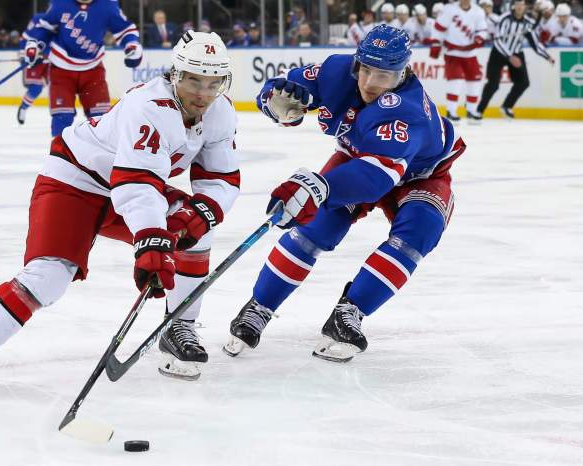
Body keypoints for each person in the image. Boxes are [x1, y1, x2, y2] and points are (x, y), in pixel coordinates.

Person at [0, 31, 239, 396]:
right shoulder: (150, 106)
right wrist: (151, 239)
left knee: (199, 231)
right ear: (175, 75)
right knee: (50, 275)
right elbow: (136, 182)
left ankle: (177, 327)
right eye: (193, 80)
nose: (203, 92)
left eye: (214, 83)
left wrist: (198, 215)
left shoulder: (221, 112)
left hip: (130, 185)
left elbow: (221, 178)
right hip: (75, 181)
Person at [223, 25, 466, 363]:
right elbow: (287, 85)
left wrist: (319, 187)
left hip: (419, 176)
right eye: (365, 69)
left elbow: (375, 177)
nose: (368, 82)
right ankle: (259, 306)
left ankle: (349, 312)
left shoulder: (407, 111)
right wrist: (274, 101)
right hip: (356, 158)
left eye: (382, 75)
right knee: (315, 230)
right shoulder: (339, 69)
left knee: (418, 233)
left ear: (403, 72)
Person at [23, 0, 143, 137]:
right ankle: (60, 156)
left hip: (93, 70)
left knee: (101, 119)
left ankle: (102, 156)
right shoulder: (60, 3)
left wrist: (132, 44)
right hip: (61, 70)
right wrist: (34, 44)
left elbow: (125, 29)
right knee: (62, 118)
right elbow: (44, 27)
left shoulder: (107, 5)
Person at [475, 0, 554, 119]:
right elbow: (497, 39)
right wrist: (509, 56)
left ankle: (507, 106)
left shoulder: (528, 23)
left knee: (523, 82)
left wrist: (547, 56)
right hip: (499, 52)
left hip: (516, 52)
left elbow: (535, 43)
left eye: (522, 4)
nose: (519, 6)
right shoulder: (505, 18)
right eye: (517, 4)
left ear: (525, 7)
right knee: (493, 84)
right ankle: (479, 111)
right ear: (513, 6)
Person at [430, 0, 488, 122]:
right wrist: (436, 43)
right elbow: (438, 28)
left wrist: (479, 38)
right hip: (452, 52)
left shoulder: (478, 11)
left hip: (471, 53)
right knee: (455, 81)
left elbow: (483, 30)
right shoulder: (449, 9)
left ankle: (472, 111)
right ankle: (451, 111)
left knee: (474, 81)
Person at [16, 15, 50, 125]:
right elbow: (26, 37)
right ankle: (24, 108)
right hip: (33, 59)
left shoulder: (65, 20)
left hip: (51, 61)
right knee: (36, 88)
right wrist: (23, 53)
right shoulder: (38, 19)